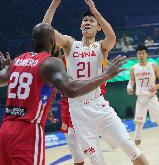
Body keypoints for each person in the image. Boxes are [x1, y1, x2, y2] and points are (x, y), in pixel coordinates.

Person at [42, 0, 149, 165]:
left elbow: (112, 37)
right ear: (80, 26)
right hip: (77, 110)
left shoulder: (101, 47)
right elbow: (45, 30)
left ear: (98, 27)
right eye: (85, 20)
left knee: (130, 148)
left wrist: (95, 11)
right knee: (96, 160)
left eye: (91, 21)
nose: (87, 22)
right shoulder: (70, 44)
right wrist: (55, 1)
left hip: (99, 106)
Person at [0, 23, 126, 165]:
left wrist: (6, 69)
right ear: (53, 41)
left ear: (33, 40)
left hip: (5, 129)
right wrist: (106, 75)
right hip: (28, 130)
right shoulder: (50, 63)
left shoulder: (18, 60)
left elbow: (4, 79)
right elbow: (72, 89)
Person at [127, 45, 159, 145]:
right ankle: (137, 142)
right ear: (137, 55)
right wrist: (129, 87)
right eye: (139, 53)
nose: (141, 55)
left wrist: (156, 87)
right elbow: (131, 81)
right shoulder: (133, 68)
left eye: (143, 53)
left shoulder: (153, 65)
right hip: (140, 98)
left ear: (147, 54)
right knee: (139, 122)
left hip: (152, 97)